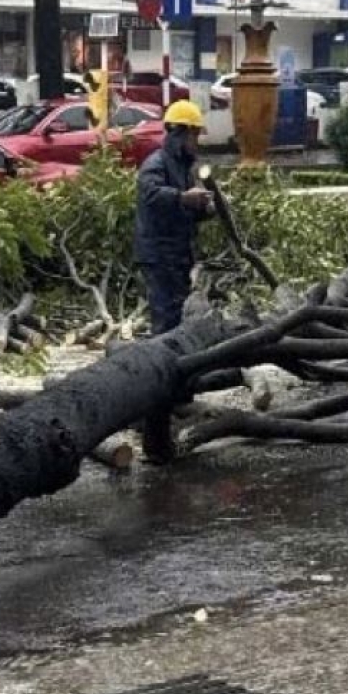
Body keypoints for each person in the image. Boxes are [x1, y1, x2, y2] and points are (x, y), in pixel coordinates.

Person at [134, 99, 213, 462]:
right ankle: (157, 397)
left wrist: (200, 210)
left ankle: (177, 390)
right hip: (159, 254)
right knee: (165, 322)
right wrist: (183, 197)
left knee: (178, 318)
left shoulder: (183, 165)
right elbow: (151, 198)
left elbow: (181, 211)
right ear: (180, 133)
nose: (198, 141)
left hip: (178, 253)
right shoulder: (156, 164)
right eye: (195, 134)